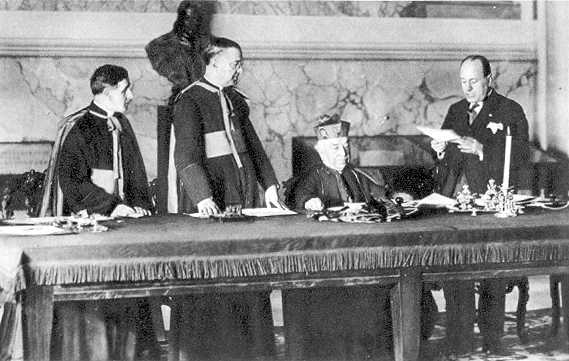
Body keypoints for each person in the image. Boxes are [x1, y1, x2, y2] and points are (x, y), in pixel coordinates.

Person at [283, 115, 437, 360]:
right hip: (329, 260)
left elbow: (383, 196)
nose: (343, 153)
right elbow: (299, 199)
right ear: (322, 151)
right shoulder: (312, 178)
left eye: (346, 147)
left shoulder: (361, 175)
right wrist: (309, 202)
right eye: (335, 148)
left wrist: (399, 198)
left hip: (365, 258)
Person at [168, 36, 284, 360]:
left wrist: (270, 185)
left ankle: (252, 347)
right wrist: (203, 197)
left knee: (247, 267)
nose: (240, 69)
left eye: (241, 63)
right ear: (214, 64)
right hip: (212, 200)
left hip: (244, 194)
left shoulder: (235, 99)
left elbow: (255, 148)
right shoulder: (188, 101)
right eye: (235, 63)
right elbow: (186, 158)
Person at [43, 64, 158, 361]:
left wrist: (141, 206)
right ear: (107, 92)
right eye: (125, 89)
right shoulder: (77, 127)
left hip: (126, 228)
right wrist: (111, 206)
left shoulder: (122, 123)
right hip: (92, 228)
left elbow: (136, 174)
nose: (131, 95)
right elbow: (72, 183)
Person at [431, 54, 530, 354]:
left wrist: (483, 149)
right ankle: (459, 338)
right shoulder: (456, 110)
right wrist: (438, 149)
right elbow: (448, 157)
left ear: (489, 79)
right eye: (463, 81)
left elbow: (521, 158)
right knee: (454, 268)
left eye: (474, 81)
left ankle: (491, 340)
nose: (468, 87)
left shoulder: (510, 110)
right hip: (454, 202)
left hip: (489, 199)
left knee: (491, 271)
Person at [145, 0, 212, 213]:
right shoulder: (159, 47)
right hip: (179, 109)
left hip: (204, 108)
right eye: (189, 18)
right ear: (180, 17)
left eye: (197, 20)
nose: (193, 24)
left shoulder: (206, 47)